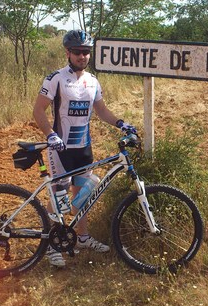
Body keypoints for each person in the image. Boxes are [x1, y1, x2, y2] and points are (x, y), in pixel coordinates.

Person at [33, 29, 136, 268]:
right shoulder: (55, 78)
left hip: (83, 147)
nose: (82, 56)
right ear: (67, 52)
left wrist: (122, 124)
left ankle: (83, 236)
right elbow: (38, 111)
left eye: (86, 52)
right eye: (78, 52)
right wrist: (50, 135)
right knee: (58, 195)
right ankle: (51, 244)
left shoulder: (92, 81)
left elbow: (101, 111)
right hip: (61, 147)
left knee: (83, 194)